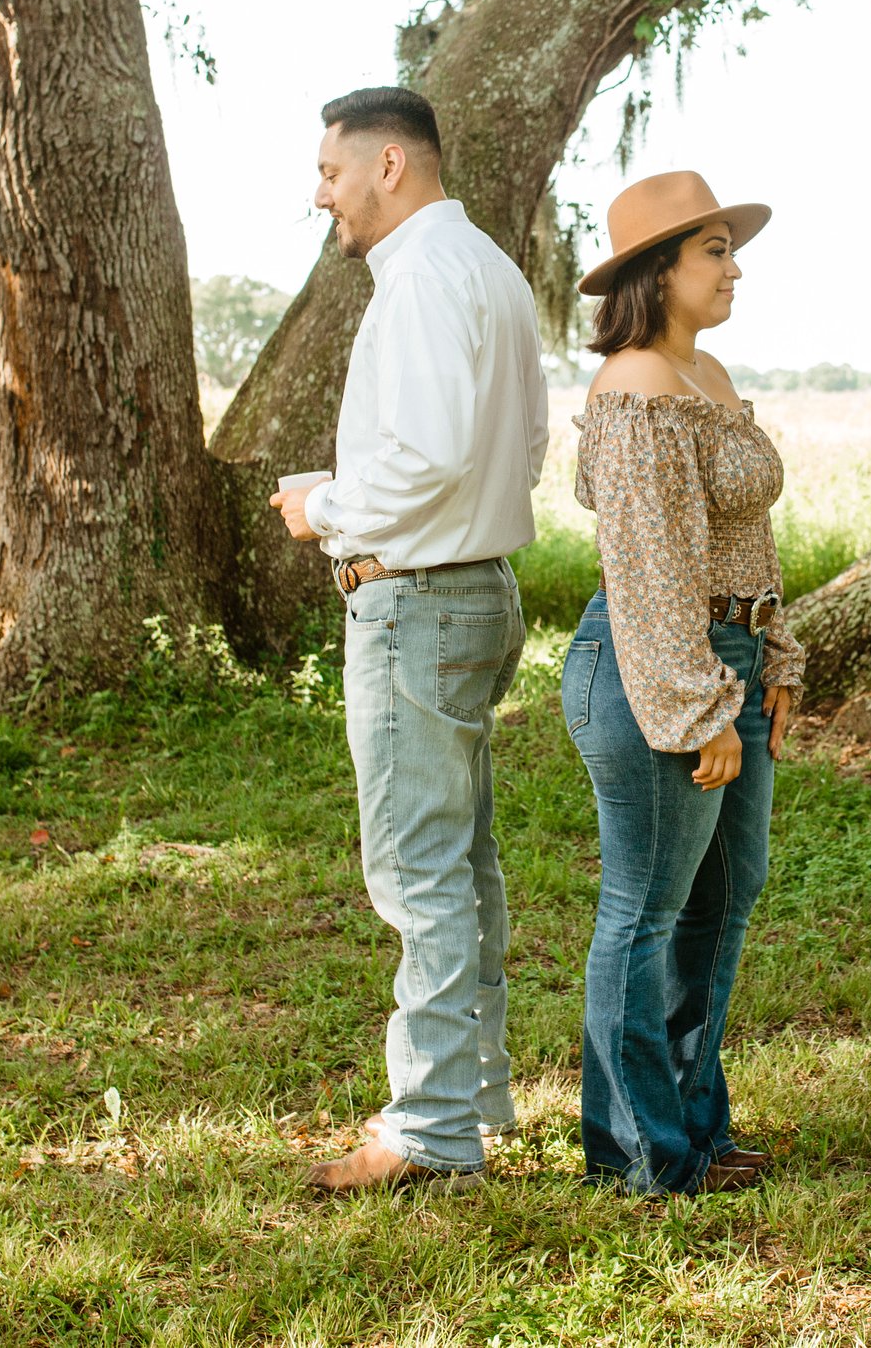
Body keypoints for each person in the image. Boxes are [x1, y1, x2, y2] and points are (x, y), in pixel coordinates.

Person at [270, 87, 547, 1195]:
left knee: (417, 869)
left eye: (331, 171)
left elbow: (427, 452)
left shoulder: (427, 275)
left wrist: (324, 507)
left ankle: (428, 1133)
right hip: (471, 584)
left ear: (390, 163)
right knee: (462, 859)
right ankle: (473, 1099)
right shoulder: (482, 265)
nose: (321, 191)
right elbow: (517, 444)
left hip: (419, 600)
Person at [561, 169, 802, 1196]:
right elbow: (650, 568)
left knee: (723, 899)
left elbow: (739, 534)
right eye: (713, 249)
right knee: (647, 909)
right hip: (657, 664)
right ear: (656, 272)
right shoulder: (635, 390)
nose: (734, 265)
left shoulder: (701, 374)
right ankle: (636, 1151)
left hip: (726, 659)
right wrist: (699, 707)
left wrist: (773, 657)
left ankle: (693, 1130)